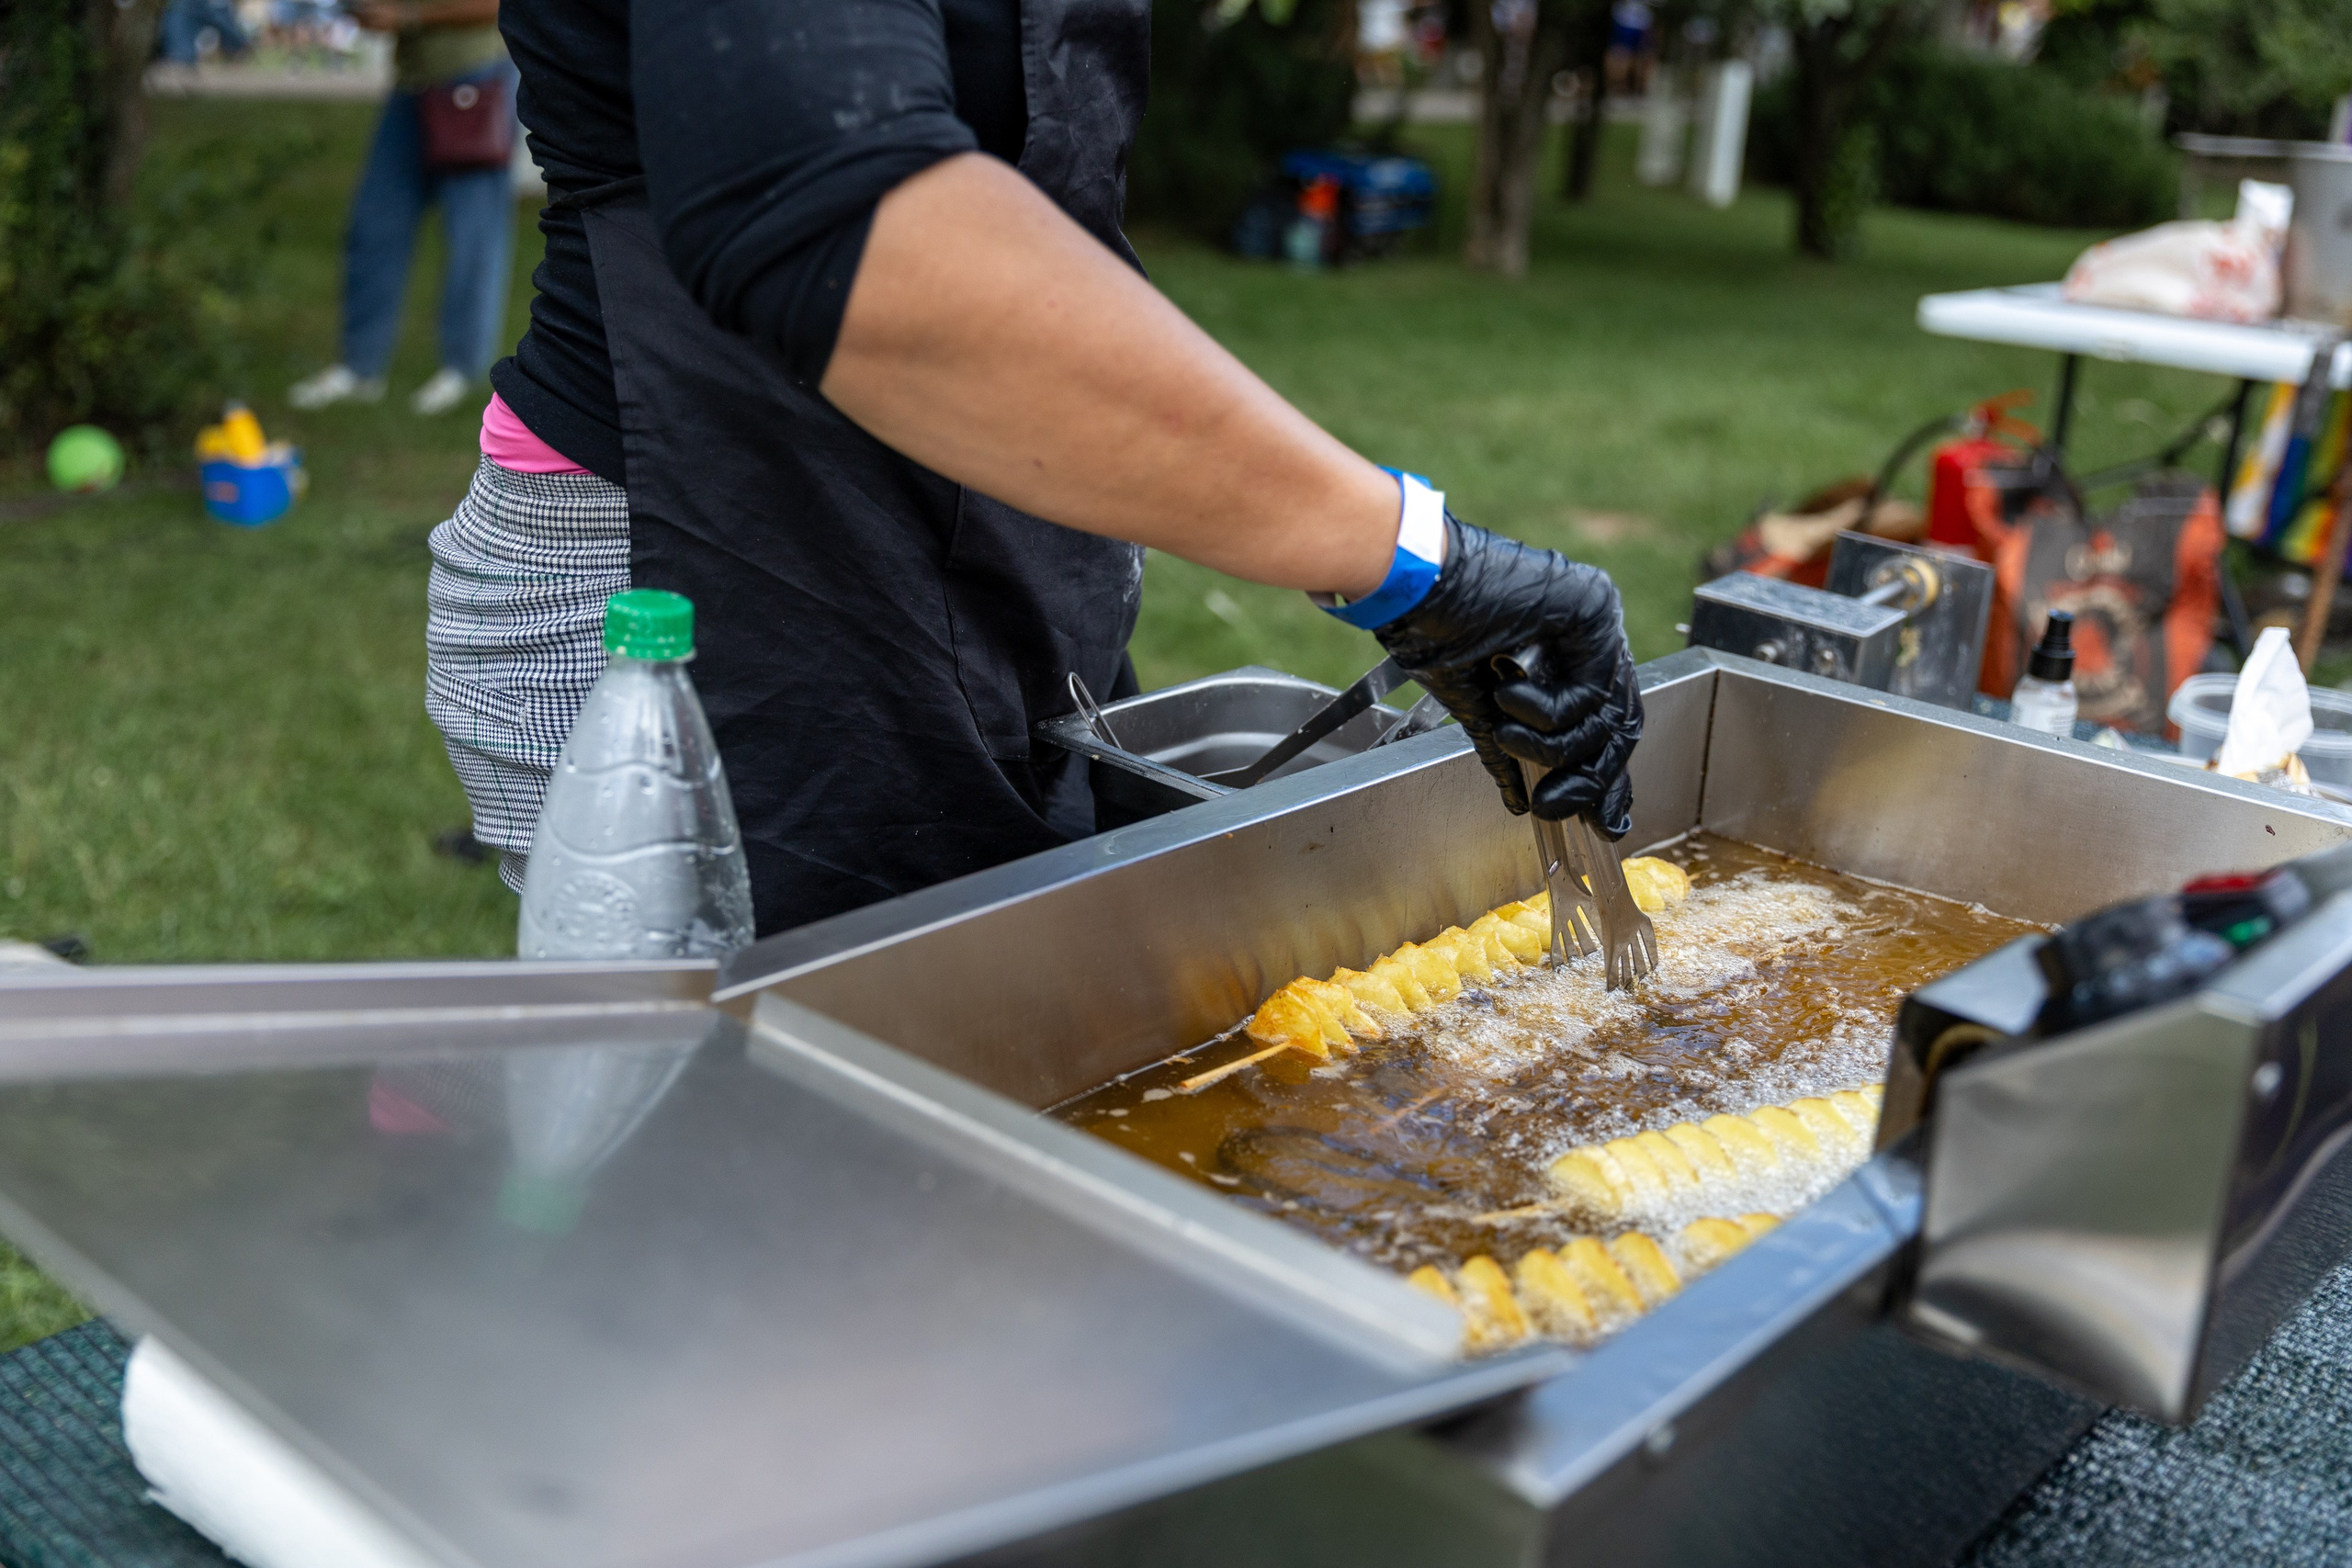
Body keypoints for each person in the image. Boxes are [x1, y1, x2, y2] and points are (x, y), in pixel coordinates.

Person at [424, 0, 1642, 939]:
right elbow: (836, 220)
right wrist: (1416, 559)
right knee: (784, 1185)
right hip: (693, 575)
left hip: (994, 545)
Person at [288, 0, 516, 416]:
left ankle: (462, 371)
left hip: (476, 77)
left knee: (473, 236)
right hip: (412, 82)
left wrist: (408, 16)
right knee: (374, 225)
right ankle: (360, 370)